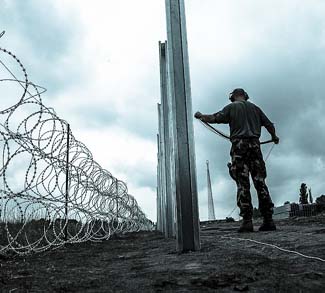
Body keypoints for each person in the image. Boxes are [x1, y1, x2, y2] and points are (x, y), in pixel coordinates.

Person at [194, 88, 279, 233]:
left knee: (242, 183)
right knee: (260, 182)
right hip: (255, 147)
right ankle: (268, 220)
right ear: (245, 96)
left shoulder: (231, 108)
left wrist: (201, 116)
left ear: (233, 97)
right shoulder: (255, 108)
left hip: (239, 148)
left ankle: (247, 222)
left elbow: (215, 118)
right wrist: (274, 137)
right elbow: (269, 125)